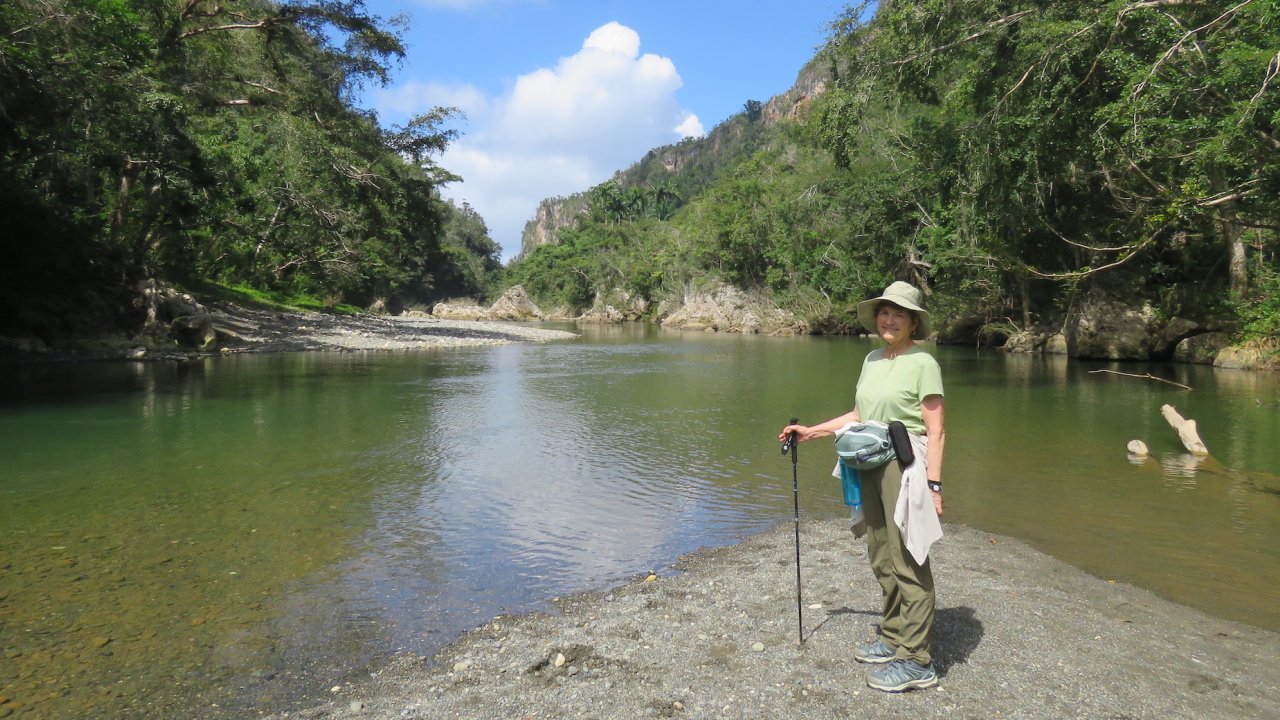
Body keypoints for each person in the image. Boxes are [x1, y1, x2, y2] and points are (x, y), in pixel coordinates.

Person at [778, 280, 946, 693]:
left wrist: (935, 486)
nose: (888, 320)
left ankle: (917, 660)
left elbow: (936, 431)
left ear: (912, 322)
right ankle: (892, 635)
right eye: (884, 313)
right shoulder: (871, 359)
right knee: (879, 551)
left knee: (908, 557)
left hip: (904, 467)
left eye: (898, 314)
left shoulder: (923, 363)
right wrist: (810, 432)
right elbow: (858, 413)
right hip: (866, 463)